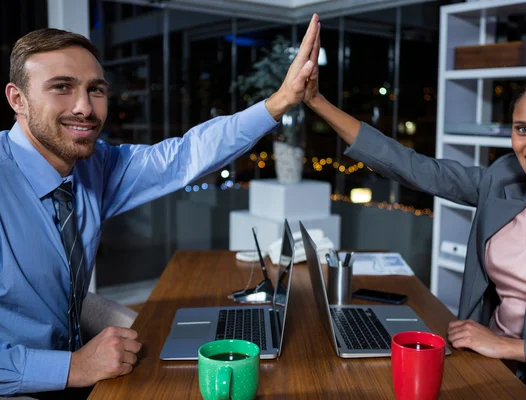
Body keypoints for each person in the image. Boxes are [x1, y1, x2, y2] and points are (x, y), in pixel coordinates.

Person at [0, 14, 320, 397]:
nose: (84, 107)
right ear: (17, 99)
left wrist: (280, 101)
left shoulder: (93, 167)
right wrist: (71, 366)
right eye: (62, 87)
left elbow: (185, 156)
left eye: (96, 90)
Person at [303, 39, 526, 398]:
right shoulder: (503, 177)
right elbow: (413, 168)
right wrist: (316, 101)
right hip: (485, 359)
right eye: (522, 129)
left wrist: (507, 347)